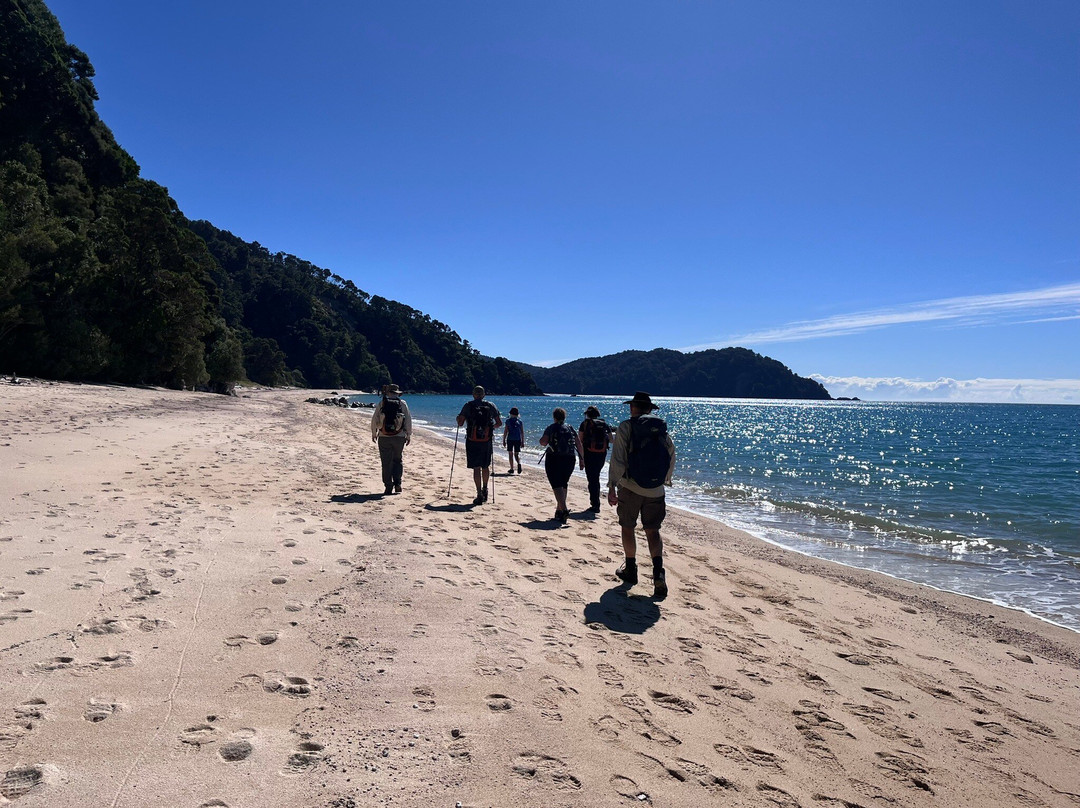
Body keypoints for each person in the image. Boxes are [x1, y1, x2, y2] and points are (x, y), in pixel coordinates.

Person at [607, 392, 676, 600]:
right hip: (656, 490)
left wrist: (612, 486)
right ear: (650, 409)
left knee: (628, 527)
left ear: (632, 408)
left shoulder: (626, 427)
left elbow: (618, 460)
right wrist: (664, 481)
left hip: (631, 486)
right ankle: (658, 574)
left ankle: (631, 570)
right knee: (653, 531)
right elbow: (671, 455)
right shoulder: (661, 429)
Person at [456, 386, 502, 505]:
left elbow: (460, 423)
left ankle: (478, 494)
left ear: (473, 394)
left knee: (476, 467)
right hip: (486, 441)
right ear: (484, 394)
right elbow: (499, 423)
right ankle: (485, 488)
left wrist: (458, 419)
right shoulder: (490, 406)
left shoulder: (468, 405)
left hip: (472, 440)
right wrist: (490, 429)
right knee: (485, 466)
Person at [539, 407, 584, 523]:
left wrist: (543, 440)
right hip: (570, 458)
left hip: (554, 458)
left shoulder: (551, 428)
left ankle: (564, 509)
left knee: (556, 484)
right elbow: (578, 443)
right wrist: (582, 459)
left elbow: (543, 442)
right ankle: (559, 511)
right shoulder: (569, 428)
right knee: (564, 483)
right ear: (564, 417)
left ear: (554, 417)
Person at [371, 383, 412, 495]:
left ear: (388, 392)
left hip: (384, 436)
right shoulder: (402, 403)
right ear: (398, 393)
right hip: (399, 437)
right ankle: (398, 484)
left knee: (386, 463)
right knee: (397, 460)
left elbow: (375, 419)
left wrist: (374, 433)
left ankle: (388, 486)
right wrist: (408, 435)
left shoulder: (382, 403)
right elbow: (408, 420)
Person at [579, 405, 613, 513]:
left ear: (587, 414)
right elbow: (611, 440)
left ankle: (595, 504)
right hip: (601, 455)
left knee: (592, 479)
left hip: (589, 454)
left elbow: (580, 441)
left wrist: (581, 458)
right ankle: (595, 503)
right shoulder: (604, 424)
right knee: (596, 477)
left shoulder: (584, 424)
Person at [503, 407, 525, 474]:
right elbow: (522, 432)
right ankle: (519, 463)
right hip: (518, 439)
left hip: (510, 439)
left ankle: (512, 468)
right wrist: (522, 441)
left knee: (510, 454)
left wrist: (503, 440)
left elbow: (506, 431)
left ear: (510, 413)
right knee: (516, 454)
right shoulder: (520, 422)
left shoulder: (508, 421)